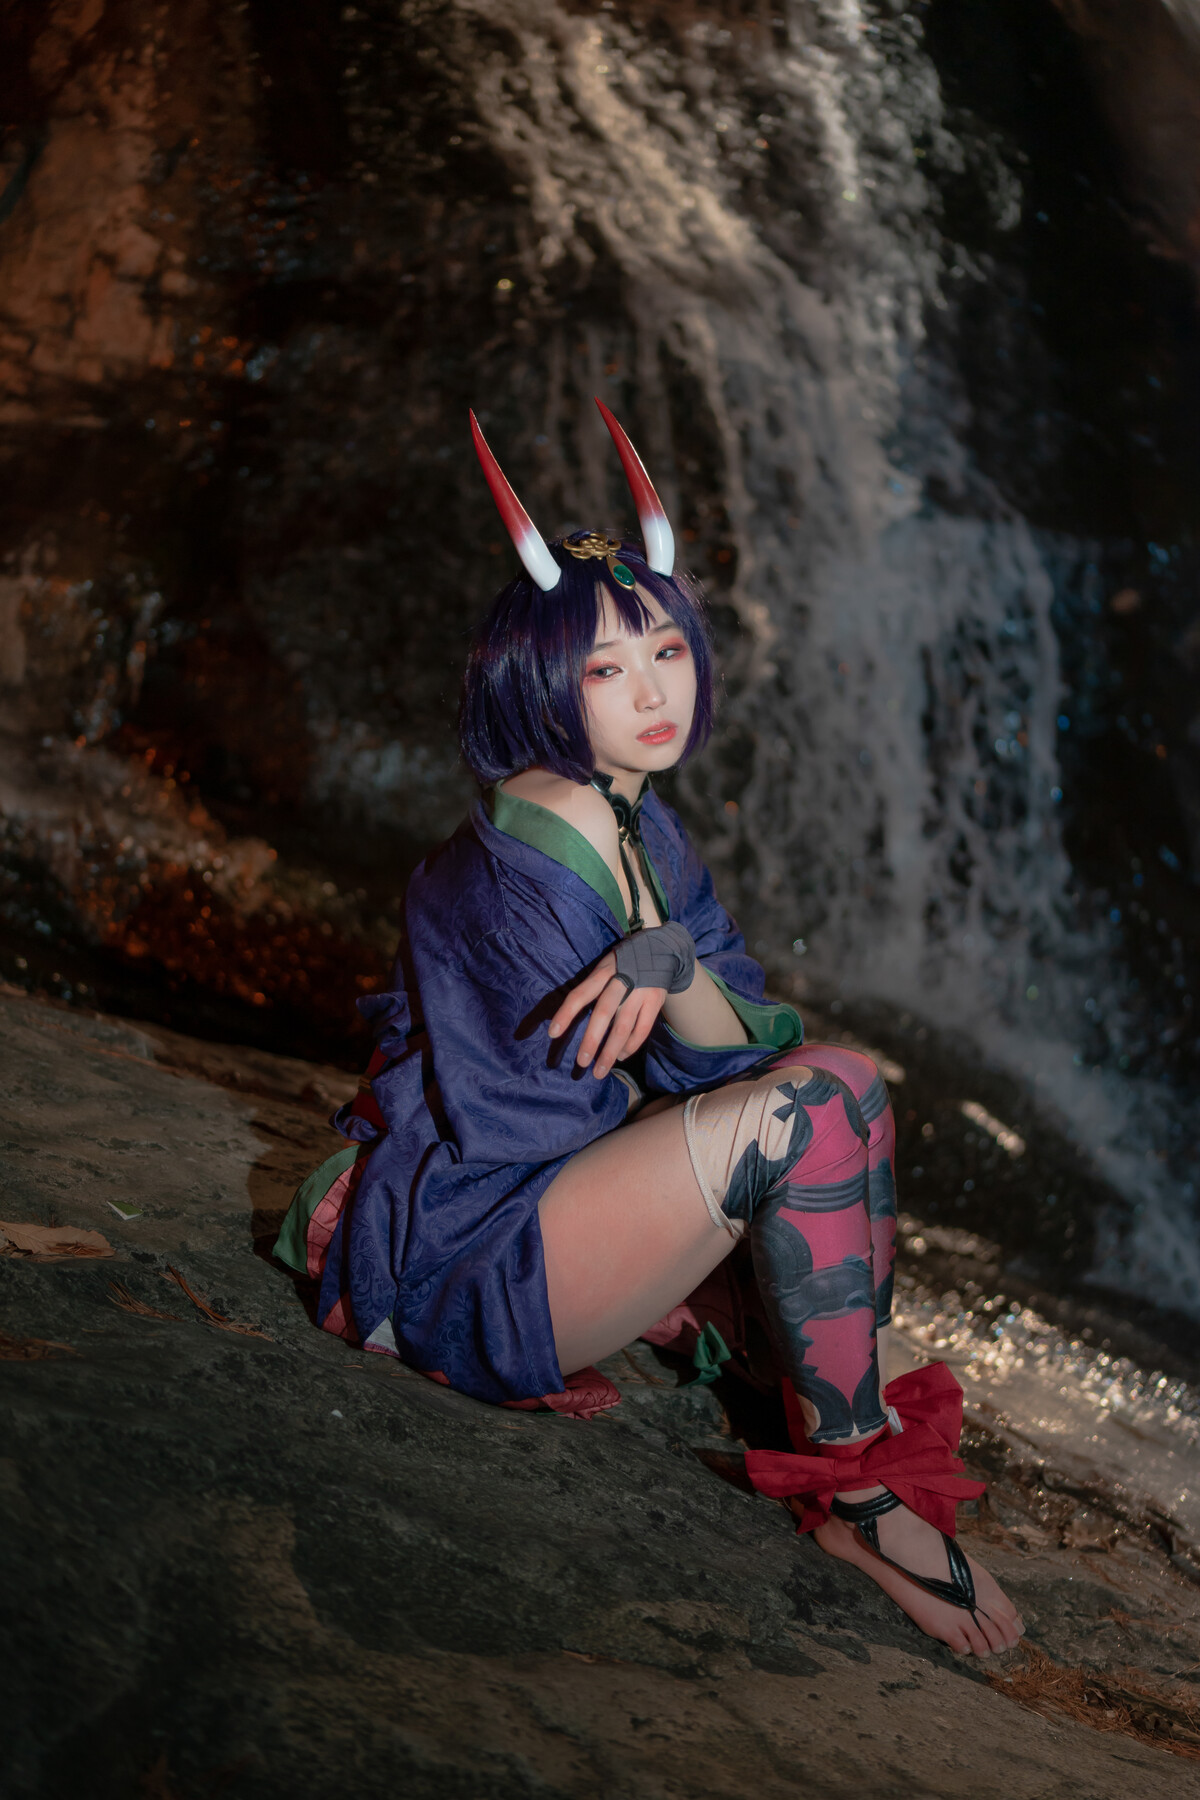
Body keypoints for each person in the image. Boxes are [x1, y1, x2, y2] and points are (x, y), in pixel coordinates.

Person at [275, 401, 1024, 1659]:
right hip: (481, 1253)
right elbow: (569, 1111)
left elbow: (732, 1047)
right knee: (822, 1103)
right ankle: (855, 1501)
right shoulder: (546, 838)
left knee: (838, 1090)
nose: (654, 690)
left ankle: (821, 1420)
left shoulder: (631, 815)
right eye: (606, 669)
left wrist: (665, 960)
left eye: (666, 650)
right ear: (539, 682)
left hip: (551, 1208)